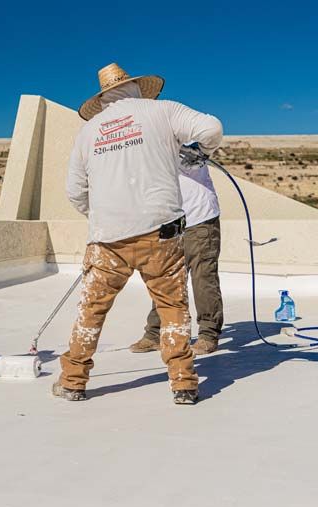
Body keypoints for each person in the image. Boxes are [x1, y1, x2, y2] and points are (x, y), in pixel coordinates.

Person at [54, 62, 223, 405]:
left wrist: (102, 216)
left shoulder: (89, 132)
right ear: (136, 88)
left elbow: (74, 190)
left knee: (91, 310)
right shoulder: (163, 110)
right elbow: (211, 127)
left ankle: (73, 382)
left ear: (103, 99)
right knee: (173, 308)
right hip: (162, 233)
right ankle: (184, 384)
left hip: (107, 239)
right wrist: (200, 153)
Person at [129, 163, 224, 356]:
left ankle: (208, 334)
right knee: (165, 277)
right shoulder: (151, 139)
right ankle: (156, 333)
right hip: (169, 220)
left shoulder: (188, 135)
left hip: (199, 218)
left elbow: (205, 144)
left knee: (203, 278)